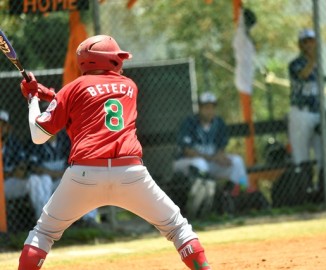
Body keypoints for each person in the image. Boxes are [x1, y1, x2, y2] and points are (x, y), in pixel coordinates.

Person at [17, 35, 211, 270]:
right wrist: (50, 95)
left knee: (44, 232)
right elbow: (93, 100)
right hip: (130, 173)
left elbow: (39, 135)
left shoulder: (73, 88)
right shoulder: (130, 86)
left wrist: (32, 98)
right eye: (117, 56)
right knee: (177, 227)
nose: (120, 61)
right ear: (107, 60)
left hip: (84, 174)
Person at [173, 91, 249, 192]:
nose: (210, 111)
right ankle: (203, 198)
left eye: (212, 107)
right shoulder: (189, 123)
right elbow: (188, 152)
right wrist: (214, 158)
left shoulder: (219, 123)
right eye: (206, 107)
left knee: (237, 161)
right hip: (186, 163)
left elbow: (221, 147)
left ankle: (242, 192)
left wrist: (220, 156)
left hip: (210, 163)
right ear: (200, 108)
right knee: (200, 163)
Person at [287, 29, 326, 180]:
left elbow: (316, 81)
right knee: (301, 156)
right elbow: (303, 75)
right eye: (305, 41)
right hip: (301, 113)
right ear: (300, 45)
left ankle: (322, 188)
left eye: (312, 41)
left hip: (317, 113)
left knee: (322, 153)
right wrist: (313, 59)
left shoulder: (316, 65)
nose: (309, 44)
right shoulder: (295, 64)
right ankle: (304, 189)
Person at [1, 110, 53, 220]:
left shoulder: (13, 143)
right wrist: (11, 173)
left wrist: (21, 169)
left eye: (3, 125)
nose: (1, 128)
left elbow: (23, 162)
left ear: (9, 128)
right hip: (3, 183)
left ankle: (44, 218)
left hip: (10, 181)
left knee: (35, 179)